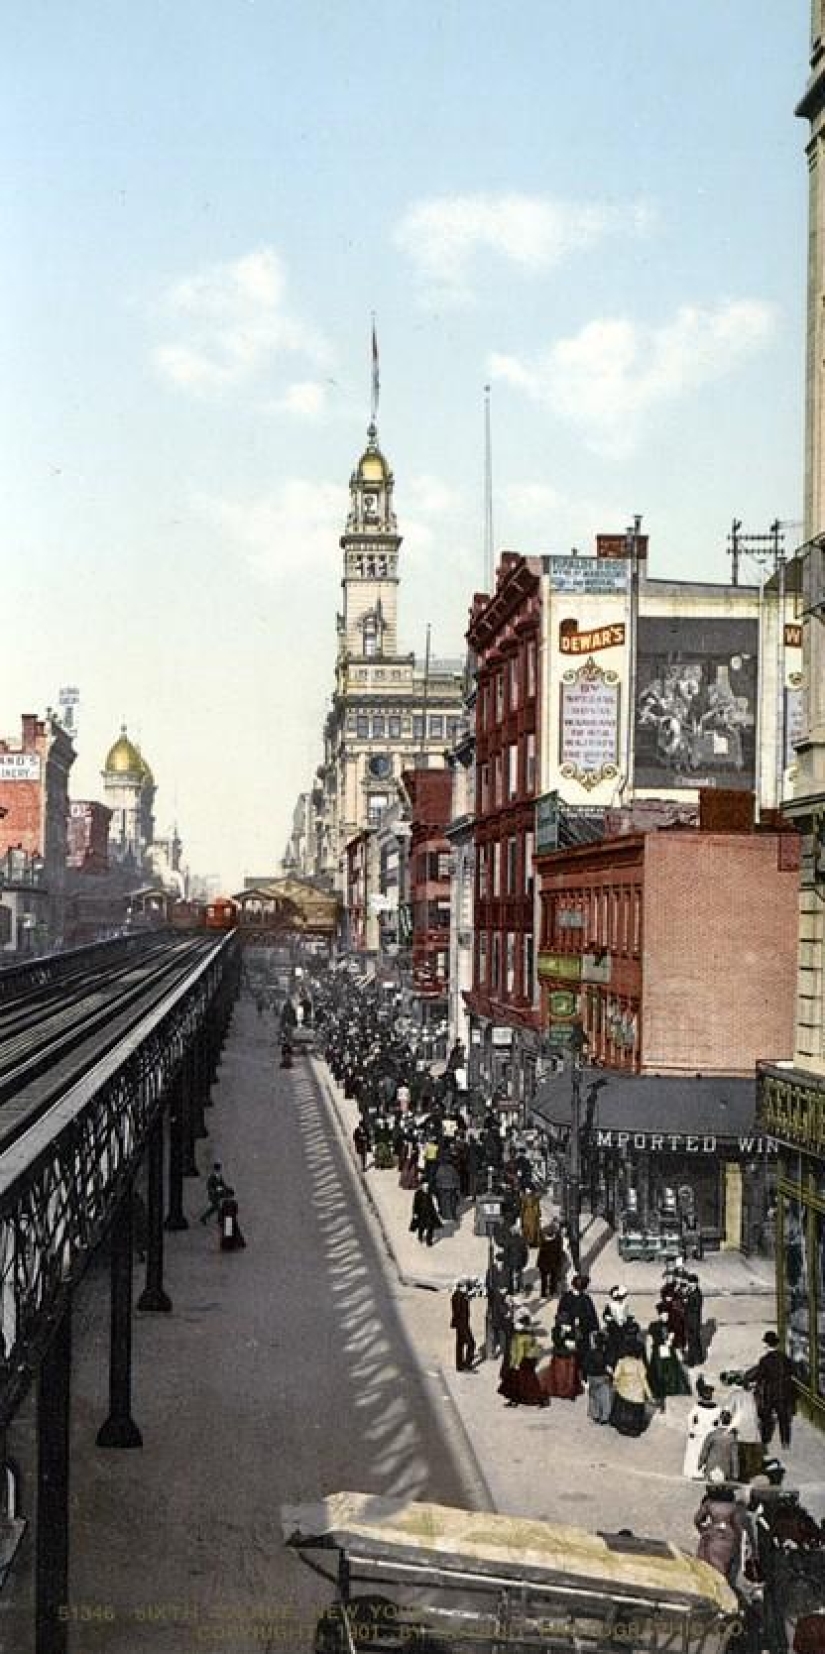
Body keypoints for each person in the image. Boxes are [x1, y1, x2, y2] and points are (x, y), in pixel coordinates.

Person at [745, 1331, 796, 1450]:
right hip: (783, 1392)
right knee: (784, 1418)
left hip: (769, 1393)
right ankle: (785, 1442)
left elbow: (759, 1375)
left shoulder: (765, 1360)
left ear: (766, 1345)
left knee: (766, 1417)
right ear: (777, 1344)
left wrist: (750, 1379)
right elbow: (792, 1371)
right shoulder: (784, 1358)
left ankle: (765, 1440)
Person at [694, 1485, 747, 1586]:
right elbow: (737, 1526)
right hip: (728, 1539)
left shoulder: (709, 1504)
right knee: (724, 1572)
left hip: (712, 1536)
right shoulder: (733, 1507)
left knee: (708, 1569)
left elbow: (697, 1520)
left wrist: (704, 1531)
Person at [498, 1311, 548, 1408]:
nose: (516, 1325)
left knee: (523, 1382)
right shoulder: (527, 1334)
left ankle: (538, 1399)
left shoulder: (522, 1337)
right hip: (527, 1361)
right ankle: (516, 1400)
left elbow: (520, 1352)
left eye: (519, 1324)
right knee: (522, 1382)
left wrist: (515, 1364)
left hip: (522, 1362)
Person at [610, 1340, 656, 1437]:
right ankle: (633, 1429)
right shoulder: (639, 1364)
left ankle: (622, 1426)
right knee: (635, 1413)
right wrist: (650, 1395)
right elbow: (644, 1381)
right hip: (636, 1394)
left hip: (623, 1391)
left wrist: (615, 1385)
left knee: (623, 1410)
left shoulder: (622, 1361)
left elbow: (616, 1376)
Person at [646, 1305, 692, 1401]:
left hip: (669, 1350)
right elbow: (650, 1339)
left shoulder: (672, 1325)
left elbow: (675, 1338)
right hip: (658, 1350)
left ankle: (671, 1389)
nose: (665, 1317)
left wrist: (671, 1340)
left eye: (667, 1315)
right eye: (663, 1315)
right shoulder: (654, 1325)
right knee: (658, 1370)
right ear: (660, 1315)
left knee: (671, 1369)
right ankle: (658, 1389)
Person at [683, 1377, 723, 1479]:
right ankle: (704, 1472)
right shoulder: (717, 1408)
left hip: (698, 1433)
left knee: (695, 1453)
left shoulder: (697, 1406)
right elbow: (720, 1421)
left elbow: (689, 1418)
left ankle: (694, 1472)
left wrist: (691, 1430)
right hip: (709, 1434)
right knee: (707, 1453)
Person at [539, 1321, 583, 1402]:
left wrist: (572, 1339)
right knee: (560, 1375)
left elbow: (579, 1338)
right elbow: (557, 1340)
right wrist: (563, 1336)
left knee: (570, 1375)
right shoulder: (556, 1330)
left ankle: (569, 1392)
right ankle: (561, 1391)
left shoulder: (574, 1329)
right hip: (560, 1355)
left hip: (569, 1355)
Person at [697, 1411, 738, 1483]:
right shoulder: (732, 1437)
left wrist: (700, 1464)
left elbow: (704, 1451)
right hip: (725, 1471)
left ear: (720, 1420)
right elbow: (734, 1457)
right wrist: (735, 1473)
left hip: (710, 1468)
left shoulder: (712, 1434)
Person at [583, 1329, 614, 1424]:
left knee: (594, 1398)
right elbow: (610, 1365)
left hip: (592, 1378)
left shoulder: (590, 1353)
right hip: (603, 1378)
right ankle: (605, 1416)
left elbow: (585, 1366)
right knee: (605, 1398)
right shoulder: (607, 1354)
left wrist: (584, 1379)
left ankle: (595, 1415)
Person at [450, 1280, 477, 1373]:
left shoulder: (458, 1295)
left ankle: (459, 1366)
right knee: (471, 1343)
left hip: (460, 1323)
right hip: (462, 1324)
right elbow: (458, 1311)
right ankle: (467, 1365)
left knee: (460, 1344)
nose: (467, 1289)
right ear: (461, 1287)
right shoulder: (459, 1297)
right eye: (466, 1287)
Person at [536, 1222, 564, 1298]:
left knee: (544, 1279)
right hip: (553, 1261)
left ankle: (543, 1293)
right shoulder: (558, 1239)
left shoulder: (543, 1238)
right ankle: (552, 1292)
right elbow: (559, 1251)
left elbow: (541, 1249)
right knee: (553, 1278)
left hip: (543, 1261)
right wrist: (560, 1262)